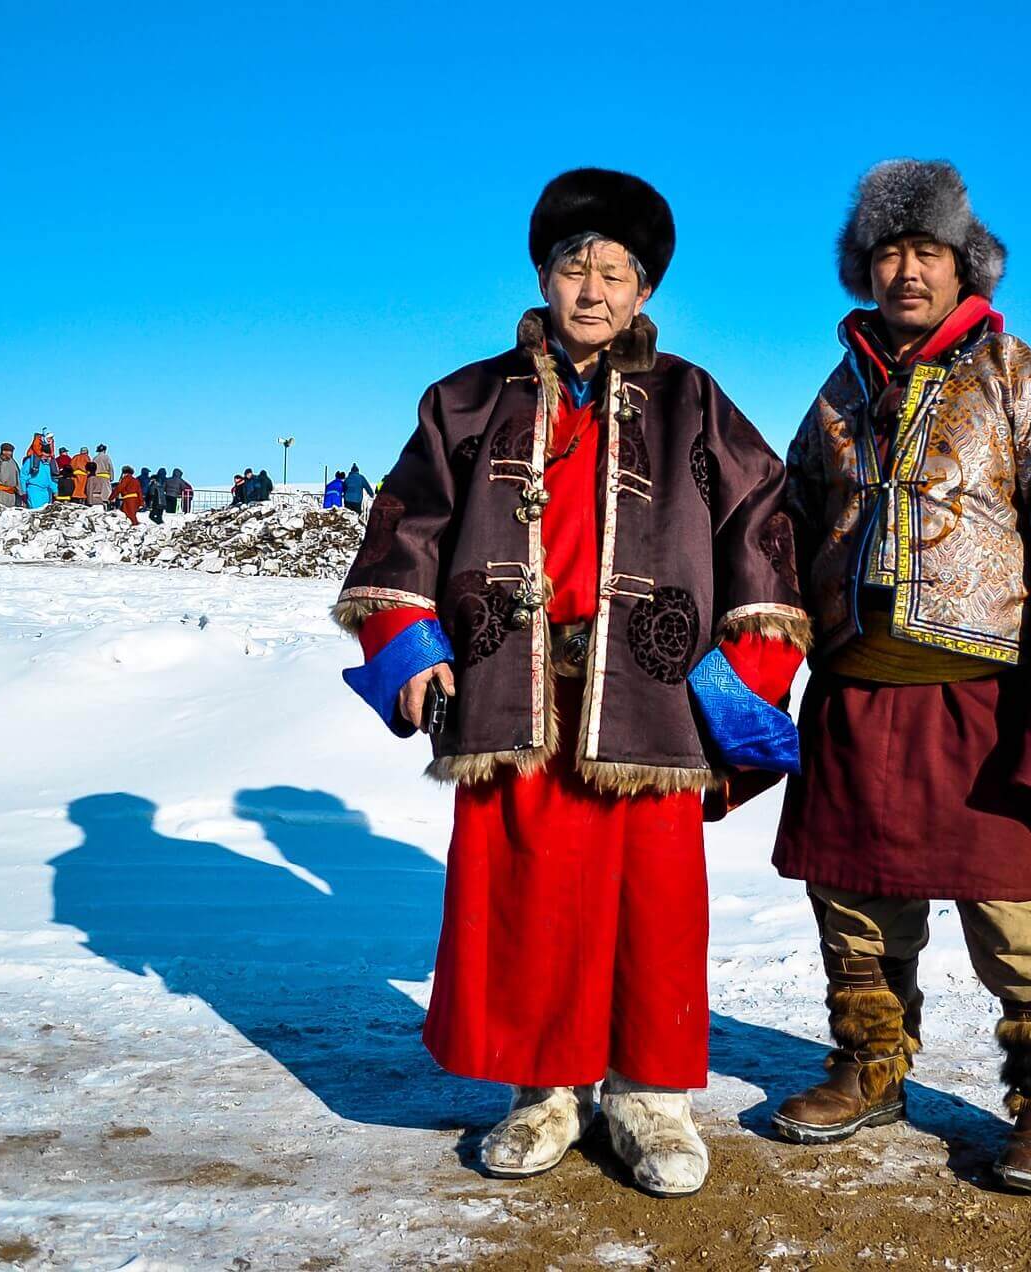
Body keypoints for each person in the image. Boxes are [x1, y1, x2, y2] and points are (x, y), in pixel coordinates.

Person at [335, 168, 804, 1198]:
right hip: (513, 686)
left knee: (655, 905)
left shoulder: (694, 401)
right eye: (573, 267)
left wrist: (745, 678)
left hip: (652, 692)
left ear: (645, 293)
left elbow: (765, 534)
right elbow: (401, 537)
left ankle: (649, 1095)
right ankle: (542, 1090)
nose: (591, 290)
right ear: (544, 276)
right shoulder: (465, 400)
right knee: (524, 897)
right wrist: (413, 652)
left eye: (615, 273)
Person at [775, 160, 1031, 1197]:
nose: (905, 271)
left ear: (961, 262)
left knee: (1017, 904)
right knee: (854, 892)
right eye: (886, 252)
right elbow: (788, 531)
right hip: (854, 688)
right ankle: (870, 1066)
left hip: (984, 693)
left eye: (925, 250)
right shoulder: (838, 395)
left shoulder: (1020, 378)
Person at [0, 443, 21, 507]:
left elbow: (17, 478)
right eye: (6, 451)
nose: (8, 453)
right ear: (2, 451)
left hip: (11, 494)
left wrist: (20, 492)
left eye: (10, 451)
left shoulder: (13, 462)